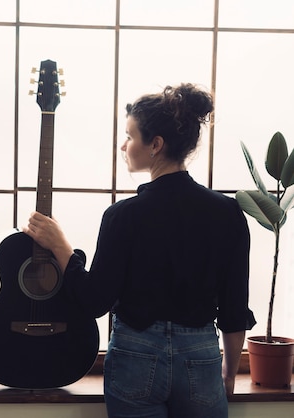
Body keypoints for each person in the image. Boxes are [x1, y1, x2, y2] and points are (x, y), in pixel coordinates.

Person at [23, 83, 255, 418]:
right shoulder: (227, 212)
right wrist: (230, 374)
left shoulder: (124, 215)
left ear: (155, 145)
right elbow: (235, 307)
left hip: (136, 354)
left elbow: (94, 301)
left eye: (130, 136)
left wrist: (60, 247)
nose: (123, 145)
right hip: (201, 356)